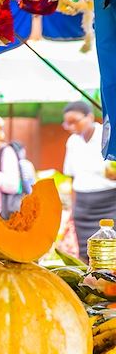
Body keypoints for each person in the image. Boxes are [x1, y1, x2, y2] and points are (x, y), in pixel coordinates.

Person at [62, 100, 116, 262]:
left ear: (90, 117)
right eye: (67, 124)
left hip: (110, 203)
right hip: (83, 207)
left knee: (109, 251)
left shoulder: (107, 134)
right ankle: (89, 285)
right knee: (86, 251)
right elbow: (72, 177)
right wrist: (73, 208)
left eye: (75, 122)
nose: (72, 127)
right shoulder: (72, 142)